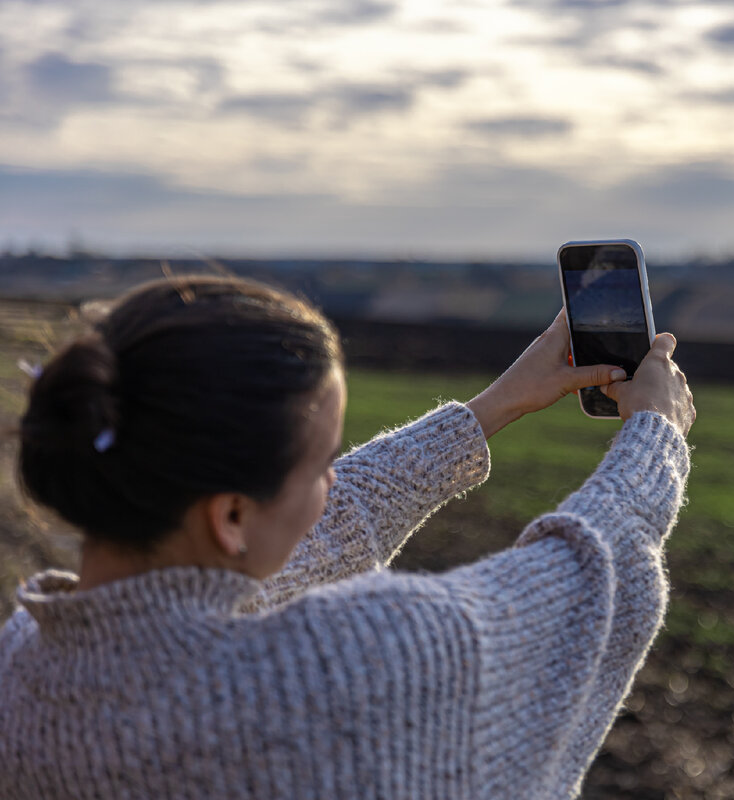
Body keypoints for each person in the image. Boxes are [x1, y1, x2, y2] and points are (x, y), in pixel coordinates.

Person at [0, 275, 693, 799]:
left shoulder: (20, 662)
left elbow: (315, 540)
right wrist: (654, 441)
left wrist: (497, 405)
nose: (333, 483)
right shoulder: (338, 669)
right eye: (319, 465)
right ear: (231, 516)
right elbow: (579, 588)